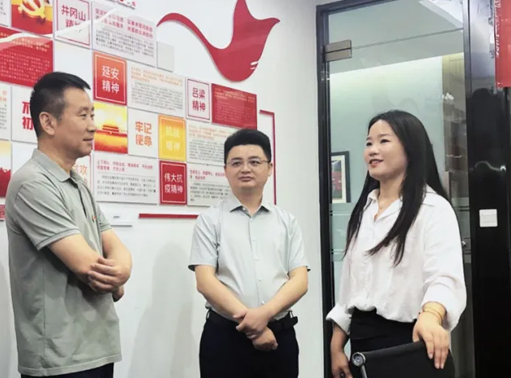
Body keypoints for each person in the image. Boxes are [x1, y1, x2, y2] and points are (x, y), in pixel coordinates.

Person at [6, 72, 131, 378]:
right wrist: (117, 277)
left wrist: (121, 272)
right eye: (82, 115)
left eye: (92, 115)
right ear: (48, 122)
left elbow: (116, 248)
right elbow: (90, 268)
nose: (93, 126)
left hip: (96, 346)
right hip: (59, 358)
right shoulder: (32, 183)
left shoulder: (77, 182)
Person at [328, 110, 466, 378]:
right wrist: (336, 344)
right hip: (362, 341)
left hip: (410, 340)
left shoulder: (433, 208)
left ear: (410, 148)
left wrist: (431, 315)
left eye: (384, 141)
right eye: (369, 143)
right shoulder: (364, 210)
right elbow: (349, 287)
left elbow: (444, 278)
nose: (372, 150)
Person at [189, 128, 310, 378]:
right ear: (225, 170)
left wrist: (265, 314)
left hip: (280, 336)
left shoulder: (287, 221)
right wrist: (255, 327)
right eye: (236, 163)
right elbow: (205, 282)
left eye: (254, 162)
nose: (245, 169)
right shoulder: (209, 220)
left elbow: (299, 280)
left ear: (270, 167)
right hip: (225, 339)